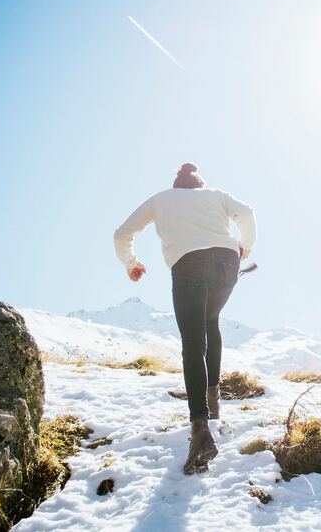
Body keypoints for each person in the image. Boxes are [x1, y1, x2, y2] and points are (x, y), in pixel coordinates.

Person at [113, 163, 256, 474]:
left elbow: (122, 234)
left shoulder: (161, 199)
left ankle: (201, 431)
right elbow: (246, 213)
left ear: (177, 186)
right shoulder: (216, 195)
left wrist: (131, 263)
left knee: (193, 342)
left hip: (189, 265)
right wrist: (245, 245)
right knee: (211, 322)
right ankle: (212, 401)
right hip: (227, 261)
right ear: (199, 185)